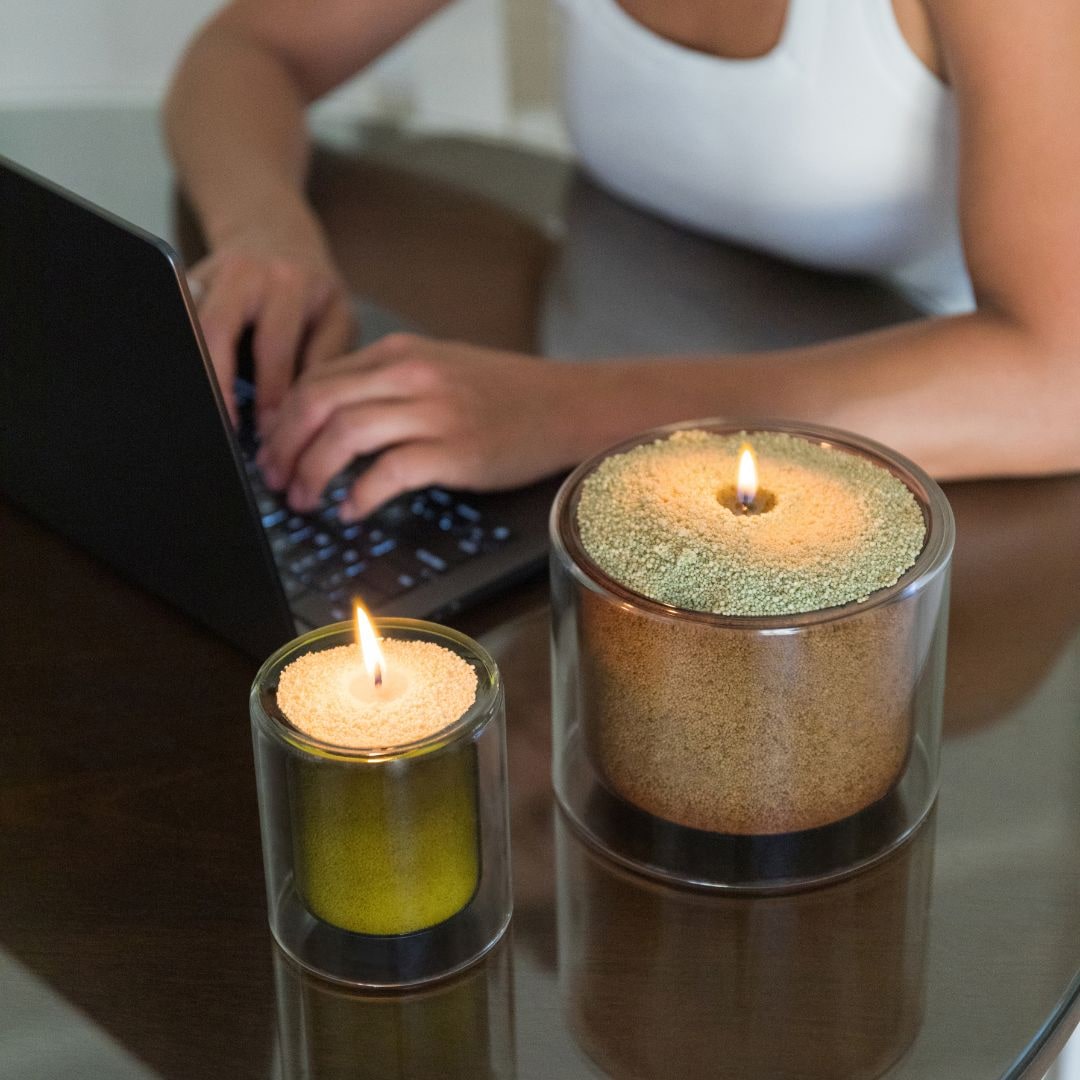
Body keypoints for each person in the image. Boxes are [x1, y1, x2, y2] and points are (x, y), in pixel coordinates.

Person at [164, 0, 1080, 522]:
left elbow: (1059, 376)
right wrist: (265, 232)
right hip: (628, 351)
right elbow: (249, 50)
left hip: (954, 466)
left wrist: (573, 412)